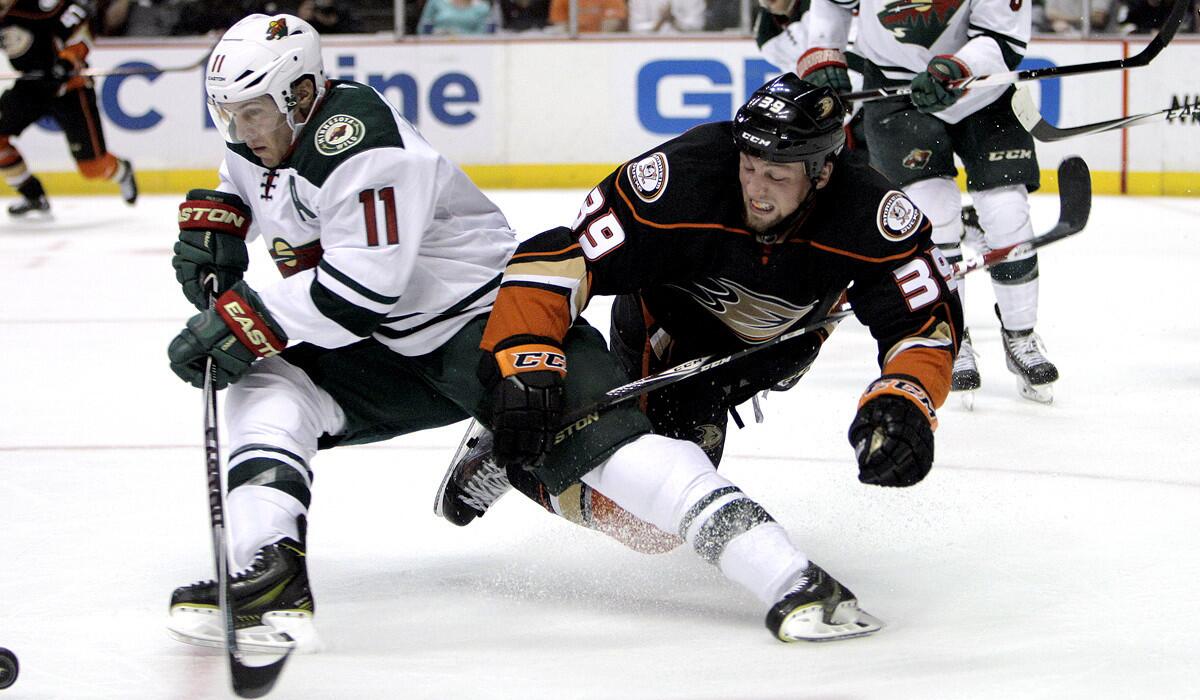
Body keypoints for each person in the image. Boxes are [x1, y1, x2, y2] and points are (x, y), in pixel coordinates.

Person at [164, 16, 880, 650]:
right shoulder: (268, 140)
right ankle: (269, 576)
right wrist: (221, 212)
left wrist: (244, 317)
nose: (242, 132)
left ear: (299, 96)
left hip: (489, 328)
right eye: (228, 116)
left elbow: (361, 288)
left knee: (630, 479)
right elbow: (253, 180)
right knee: (267, 387)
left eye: (253, 114)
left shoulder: (360, 142)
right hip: (389, 346)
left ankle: (793, 577)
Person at [436, 75, 962, 629]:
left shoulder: (871, 215)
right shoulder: (680, 179)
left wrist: (906, 399)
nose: (757, 189)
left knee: (655, 525)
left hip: (750, 364)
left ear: (823, 171)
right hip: (663, 336)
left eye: (778, 176)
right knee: (653, 519)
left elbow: (924, 327)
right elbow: (562, 259)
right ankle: (514, 461)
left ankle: (520, 458)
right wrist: (526, 357)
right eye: (750, 166)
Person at [795, 0, 1060, 403]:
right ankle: (957, 335)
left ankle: (1021, 335)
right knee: (934, 215)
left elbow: (1002, 38)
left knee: (1007, 212)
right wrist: (825, 49)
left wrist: (959, 66)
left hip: (983, 91)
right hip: (898, 94)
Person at [0, 0, 137, 216]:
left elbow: (83, 24)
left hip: (70, 88)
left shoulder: (42, 5)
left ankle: (122, 171)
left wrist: (67, 61)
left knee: (93, 168)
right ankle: (33, 196)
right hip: (30, 86)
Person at [418, 0, 493, 35]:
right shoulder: (435, 2)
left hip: (470, 49)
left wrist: (455, 34)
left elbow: (483, 34)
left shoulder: (482, 7)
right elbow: (422, 29)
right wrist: (436, 32)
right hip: (435, 47)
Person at [627, 0, 705, 33]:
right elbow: (635, 28)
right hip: (649, 47)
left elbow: (698, 25)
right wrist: (658, 24)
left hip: (686, 46)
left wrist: (674, 21)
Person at [548, 0, 626, 32]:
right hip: (573, 43)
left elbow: (612, 22)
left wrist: (598, 43)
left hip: (602, 43)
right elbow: (560, 24)